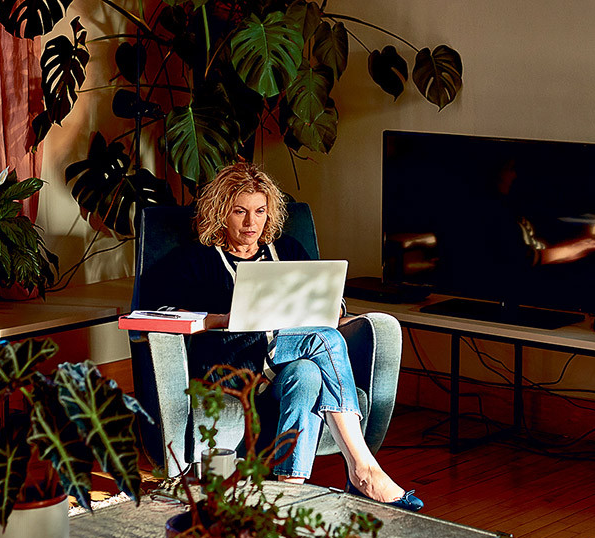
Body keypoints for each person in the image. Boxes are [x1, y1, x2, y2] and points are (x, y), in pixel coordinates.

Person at [176, 161, 422, 511]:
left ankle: (289, 491)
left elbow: (326, 302)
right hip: (230, 362)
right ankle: (363, 469)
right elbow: (168, 315)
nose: (251, 223)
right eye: (239, 212)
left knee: (307, 373)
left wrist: (333, 311)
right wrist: (223, 319)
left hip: (282, 362)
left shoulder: (287, 250)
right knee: (325, 340)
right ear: (221, 213)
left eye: (260, 211)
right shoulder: (198, 259)